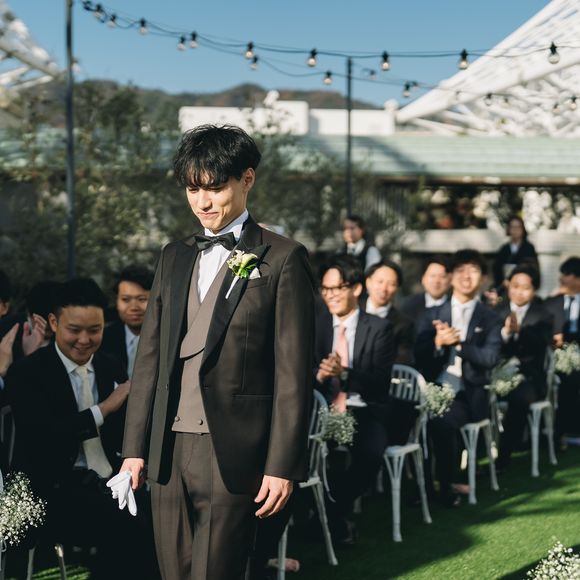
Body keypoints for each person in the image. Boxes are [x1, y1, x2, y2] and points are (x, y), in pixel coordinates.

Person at [119, 124, 315, 580]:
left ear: (247, 179)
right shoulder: (172, 255)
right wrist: (134, 449)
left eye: (214, 188)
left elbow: (293, 374)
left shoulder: (283, 258)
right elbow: (149, 360)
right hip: (166, 451)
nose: (203, 202)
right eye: (193, 189)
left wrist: (282, 466)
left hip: (235, 451)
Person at [4, 278, 144, 578]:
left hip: (108, 480)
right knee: (120, 523)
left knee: (151, 515)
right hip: (49, 486)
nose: (84, 340)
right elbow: (43, 438)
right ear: (54, 323)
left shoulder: (110, 366)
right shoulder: (27, 372)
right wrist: (104, 408)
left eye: (94, 330)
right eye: (74, 330)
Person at [315, 255, 394, 544]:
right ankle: (326, 514)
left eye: (337, 288)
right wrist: (320, 375)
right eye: (326, 289)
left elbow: (380, 381)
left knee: (371, 453)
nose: (330, 295)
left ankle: (333, 509)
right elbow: (301, 372)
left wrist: (345, 374)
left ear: (356, 288)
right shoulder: (317, 325)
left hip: (364, 408)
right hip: (321, 410)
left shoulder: (379, 328)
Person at [415, 249, 502, 507]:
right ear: (451, 276)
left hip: (467, 393)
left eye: (473, 271)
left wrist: (459, 344)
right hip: (431, 388)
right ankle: (424, 486)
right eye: (461, 270)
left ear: (483, 278)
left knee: (441, 422)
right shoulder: (431, 314)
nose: (466, 276)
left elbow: (490, 358)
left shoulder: (491, 318)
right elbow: (419, 356)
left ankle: (443, 488)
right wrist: (438, 343)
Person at [495, 265, 553, 469]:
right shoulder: (496, 312)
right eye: (515, 286)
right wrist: (505, 333)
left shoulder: (543, 315)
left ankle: (504, 456)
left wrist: (520, 331)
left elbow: (541, 344)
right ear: (508, 286)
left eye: (525, 288)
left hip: (529, 377)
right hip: (497, 374)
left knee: (519, 399)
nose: (519, 292)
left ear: (534, 289)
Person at [544, 256, 580, 445]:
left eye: (566, 274)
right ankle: (563, 430)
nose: (561, 278)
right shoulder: (552, 302)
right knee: (569, 379)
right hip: (557, 357)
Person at [101, 265, 154, 378]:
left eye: (142, 299)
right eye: (125, 299)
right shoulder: (102, 339)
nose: (133, 307)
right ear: (117, 302)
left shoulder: (167, 338)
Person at [362, 259, 414, 365]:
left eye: (391, 284)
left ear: (397, 289)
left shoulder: (404, 324)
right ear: (368, 282)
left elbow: (402, 360)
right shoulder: (352, 310)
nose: (384, 289)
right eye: (380, 282)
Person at [492, 216, 539, 291]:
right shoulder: (504, 249)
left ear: (523, 229)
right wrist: (503, 282)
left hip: (523, 286)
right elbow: (497, 269)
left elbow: (533, 269)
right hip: (505, 286)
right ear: (508, 229)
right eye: (512, 227)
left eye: (518, 227)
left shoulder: (529, 248)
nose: (515, 230)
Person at [400, 257, 451, 324]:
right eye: (433, 276)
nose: (436, 281)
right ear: (423, 279)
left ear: (450, 280)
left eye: (442, 276)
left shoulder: (455, 306)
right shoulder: (408, 305)